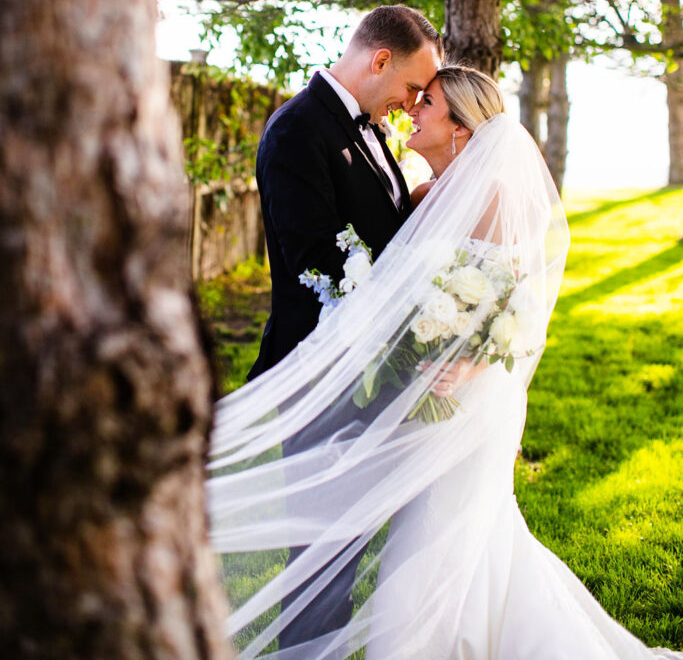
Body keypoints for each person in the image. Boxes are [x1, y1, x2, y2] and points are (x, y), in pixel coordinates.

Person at [208, 65, 682, 660]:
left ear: (460, 126)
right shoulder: (426, 195)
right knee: (456, 547)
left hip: (462, 399)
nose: (412, 110)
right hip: (418, 396)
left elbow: (522, 307)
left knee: (441, 545)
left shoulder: (496, 198)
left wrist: (471, 367)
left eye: (426, 103)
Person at [246, 5, 442, 648]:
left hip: (369, 369)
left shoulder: (368, 130)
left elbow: (380, 235)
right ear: (379, 60)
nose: (412, 104)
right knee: (320, 564)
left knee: (346, 552)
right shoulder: (298, 130)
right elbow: (316, 263)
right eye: (412, 88)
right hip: (322, 374)